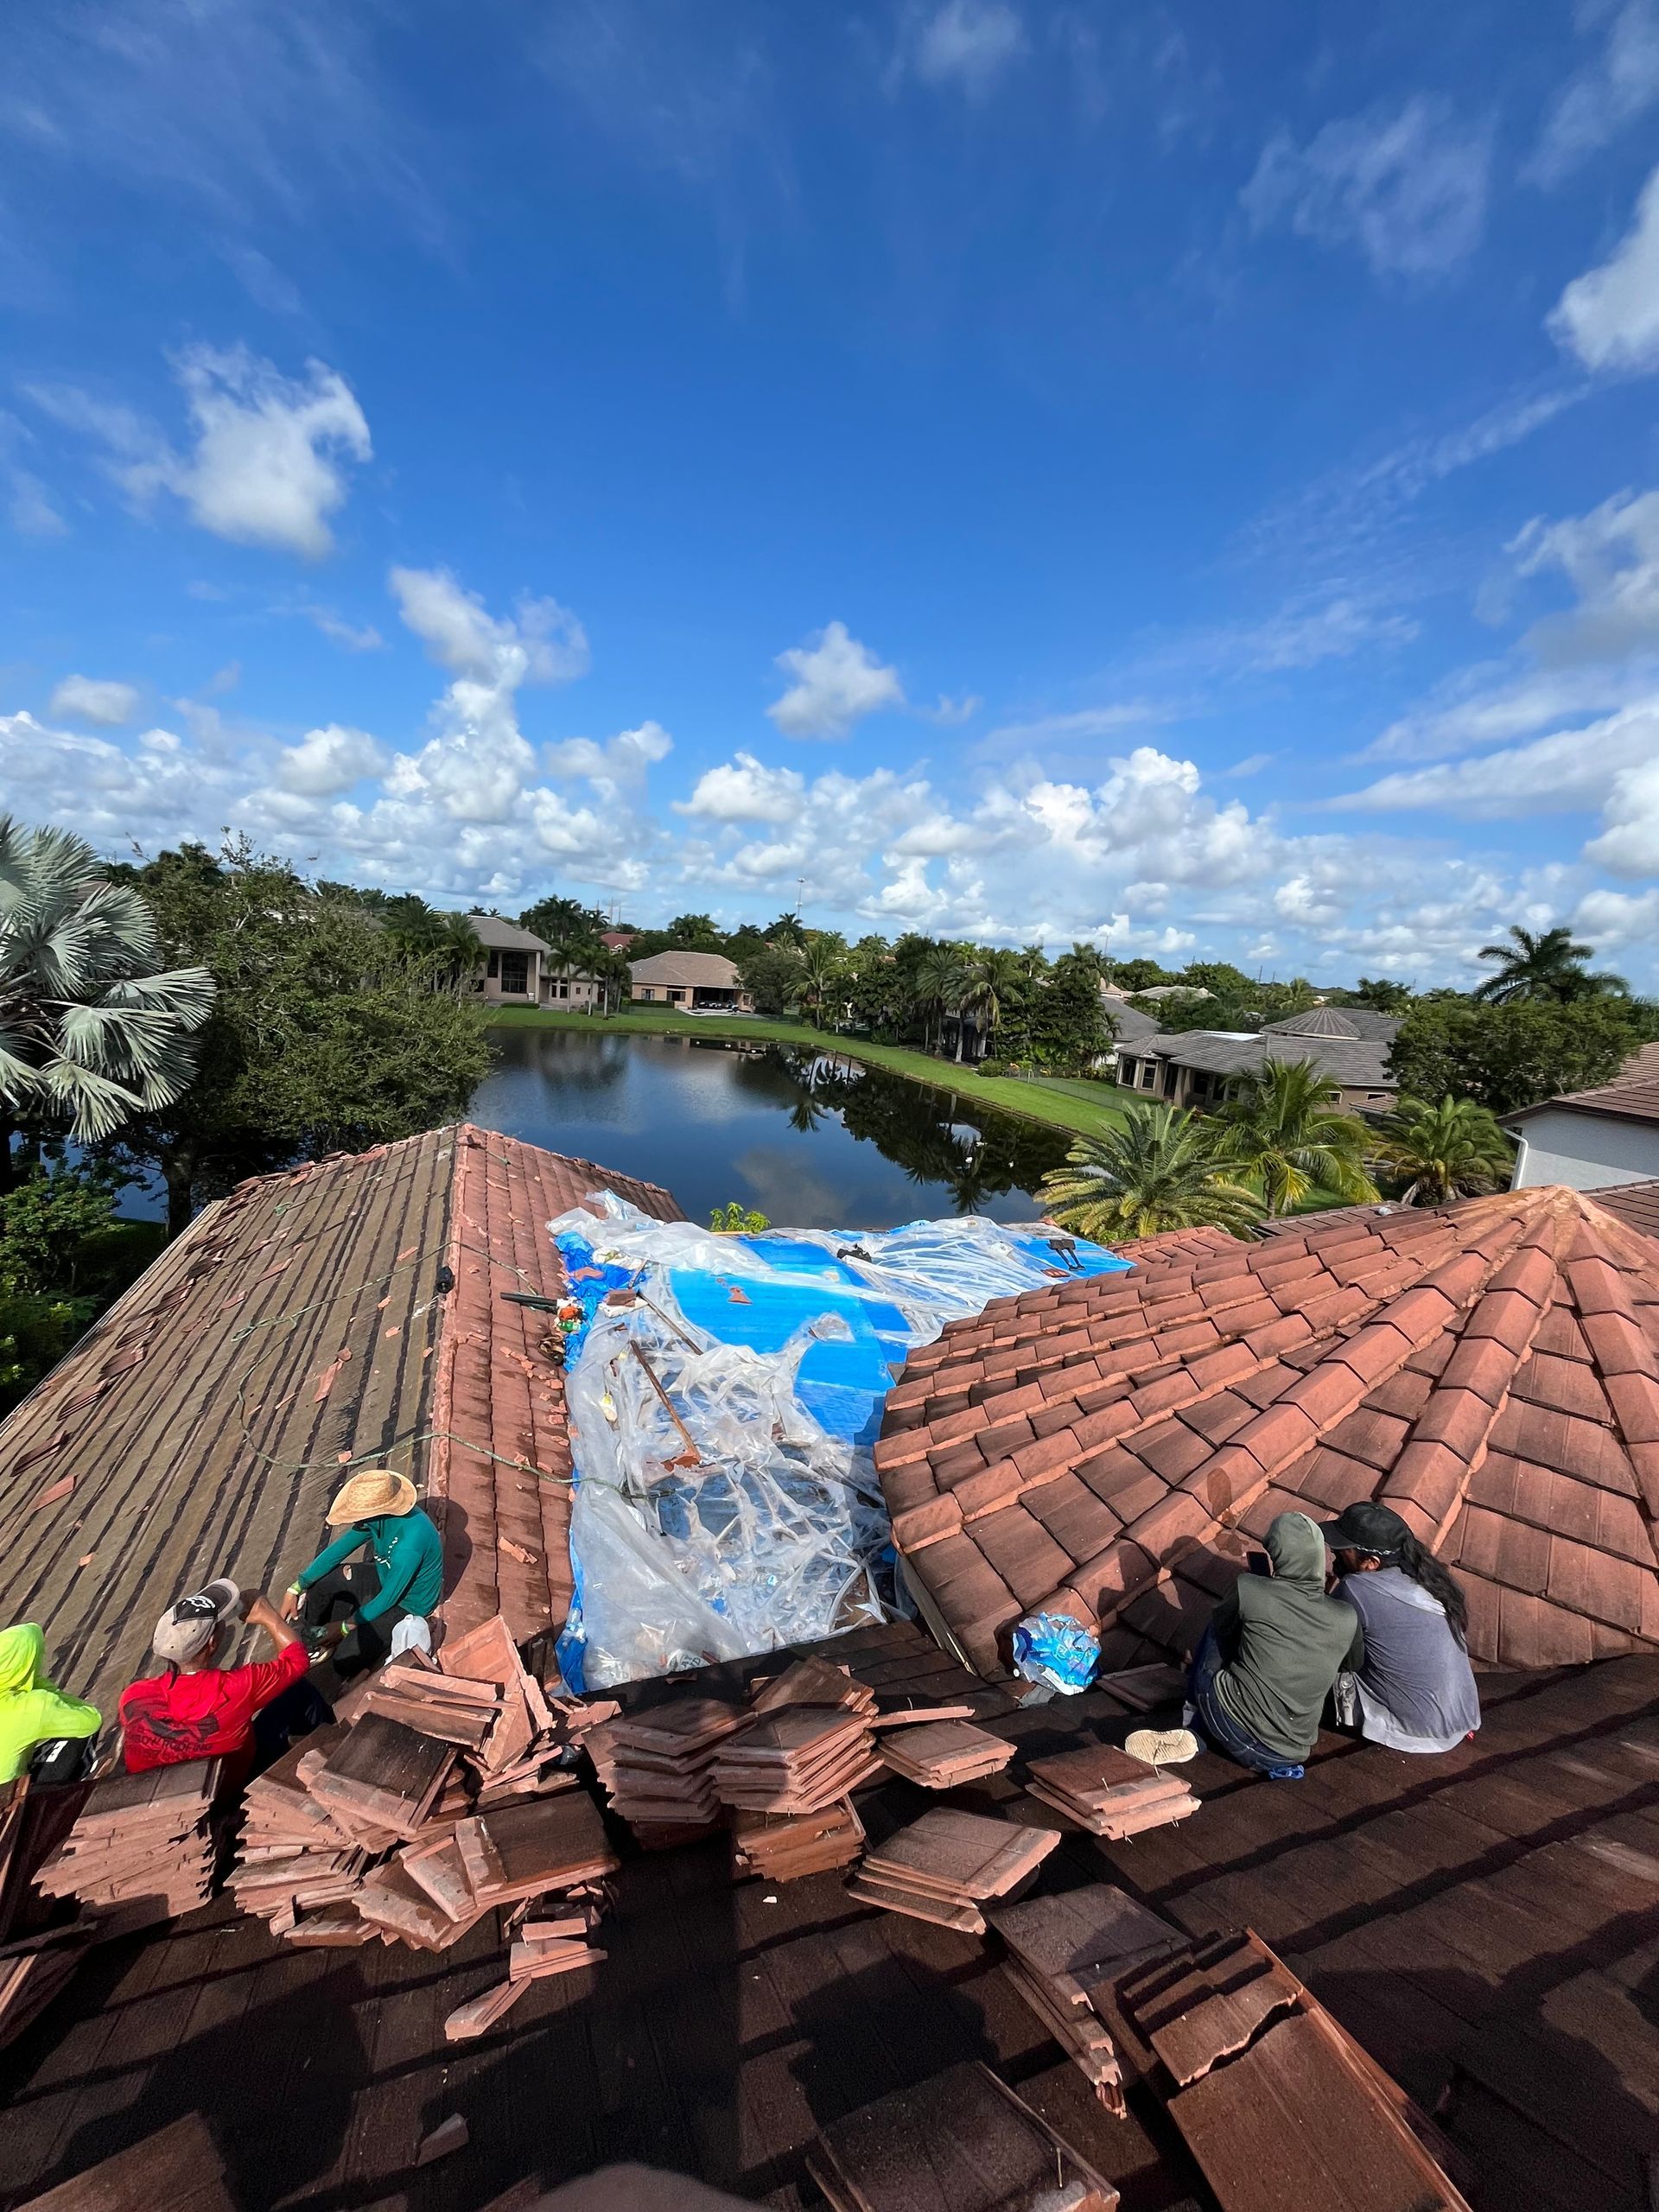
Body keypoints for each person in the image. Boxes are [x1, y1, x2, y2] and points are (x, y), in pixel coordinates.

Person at [1186, 1510, 1364, 1779]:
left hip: (1234, 1728)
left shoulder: (1249, 1588)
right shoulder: (1346, 1617)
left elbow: (1224, 1632)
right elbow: (1352, 1664)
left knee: (1218, 1625)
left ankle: (1193, 1720)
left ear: (1278, 1557)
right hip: (1291, 1752)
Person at [119, 1578, 332, 1782]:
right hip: (230, 1789)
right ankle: (331, 1748)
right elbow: (297, 1661)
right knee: (298, 1691)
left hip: (168, 1793)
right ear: (212, 1643)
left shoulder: (133, 1696)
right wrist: (266, 1613)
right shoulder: (237, 1687)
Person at [1323, 1500, 1480, 1754]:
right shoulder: (1429, 1581)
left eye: (1344, 1550)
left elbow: (1317, 1638)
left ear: (1371, 1562)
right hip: (1459, 1722)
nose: (1335, 1553)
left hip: (1407, 1732)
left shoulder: (1357, 1588)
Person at [282, 1469, 443, 1677]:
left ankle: (339, 1638)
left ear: (376, 1513)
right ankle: (315, 1638)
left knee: (344, 1662)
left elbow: (389, 1598)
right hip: (386, 1577)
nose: (356, 1521)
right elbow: (338, 1551)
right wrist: (296, 1587)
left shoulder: (409, 1543)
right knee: (323, 1584)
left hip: (408, 1603)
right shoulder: (376, 1520)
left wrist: (344, 1627)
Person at [0, 1624, 102, 1785]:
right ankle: (50, 1796)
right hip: (8, 1800)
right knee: (80, 1734)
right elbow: (92, 1719)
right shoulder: (33, 1706)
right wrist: (37, 1683)